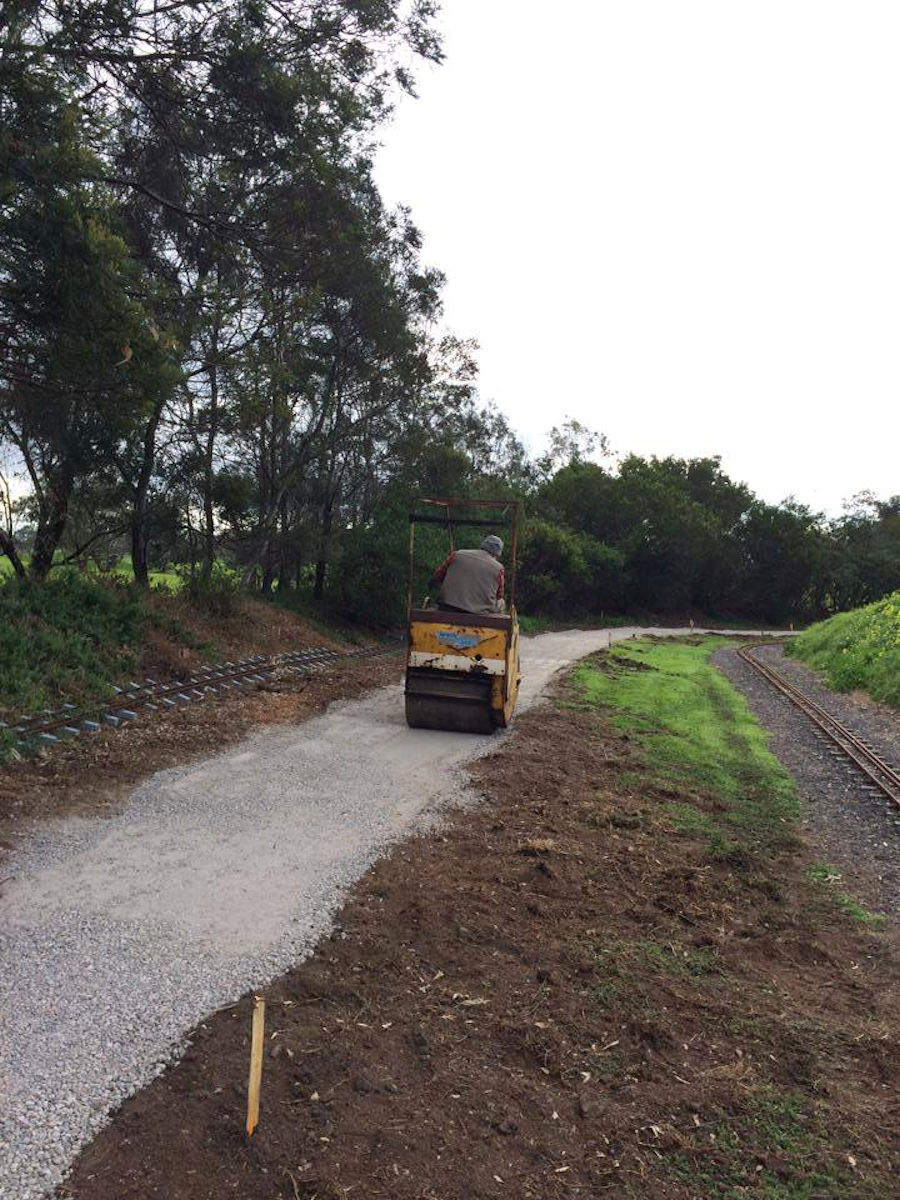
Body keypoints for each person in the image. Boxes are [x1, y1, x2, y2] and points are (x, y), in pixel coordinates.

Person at [432, 535, 506, 615]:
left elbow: (438, 575)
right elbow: (499, 594)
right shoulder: (498, 568)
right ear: (497, 553)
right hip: (479, 613)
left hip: (447, 606)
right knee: (501, 602)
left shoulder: (457, 554)